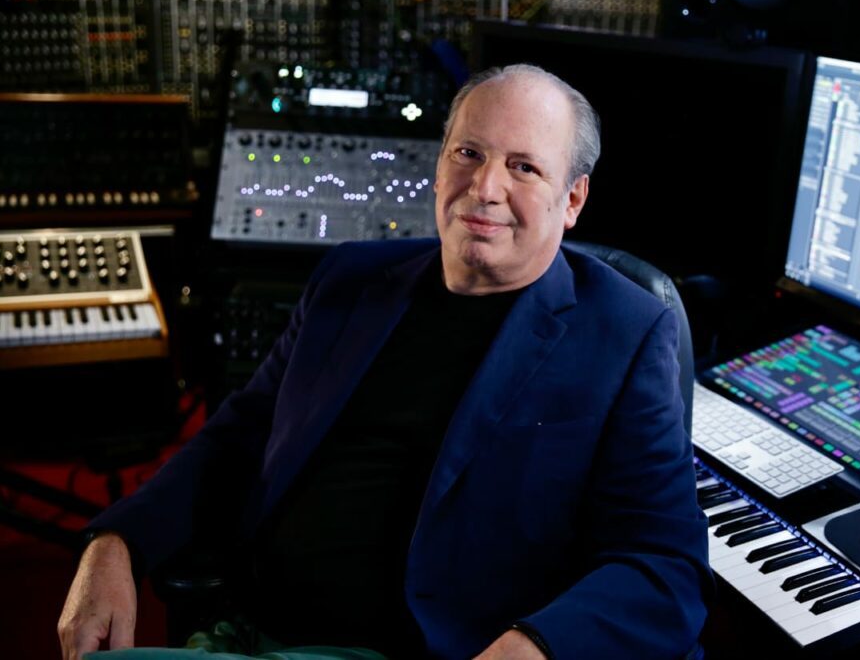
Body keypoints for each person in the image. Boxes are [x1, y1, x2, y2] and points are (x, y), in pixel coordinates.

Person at [58, 64, 713, 660]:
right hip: (252, 627)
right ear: (440, 165)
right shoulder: (349, 280)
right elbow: (237, 440)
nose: (485, 187)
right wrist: (117, 543)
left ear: (572, 200)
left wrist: (535, 646)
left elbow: (664, 566)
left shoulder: (626, 331)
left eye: (524, 168)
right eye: (469, 153)